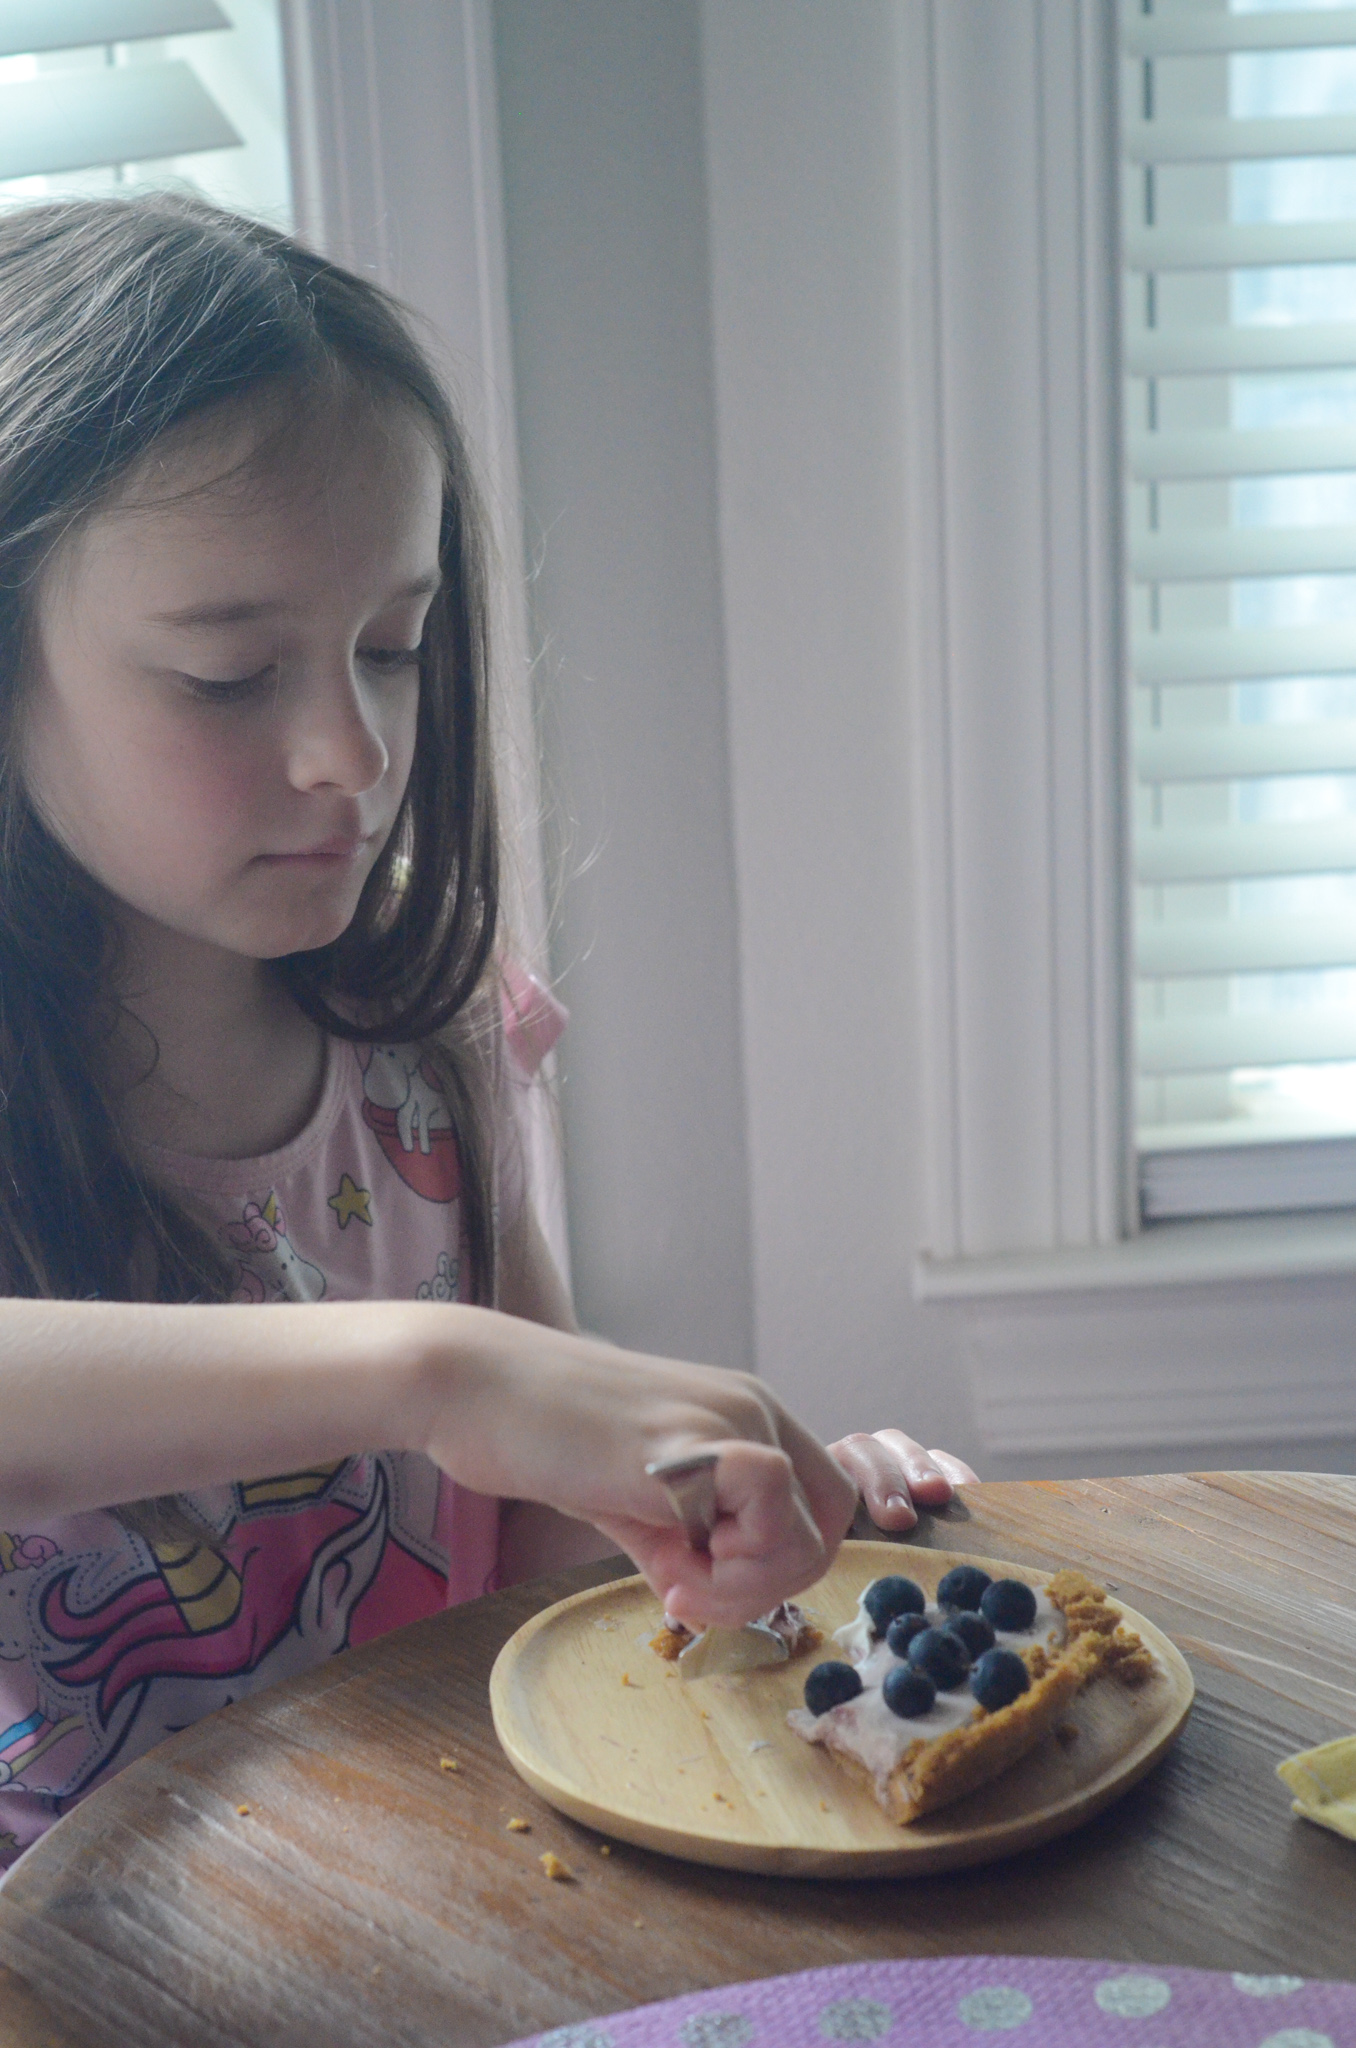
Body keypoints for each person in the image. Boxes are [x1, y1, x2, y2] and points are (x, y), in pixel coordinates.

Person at [0, 194, 973, 1863]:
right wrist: (442, 1370)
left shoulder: (438, 1043)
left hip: (425, 1889)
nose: (355, 755)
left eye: (395, 646)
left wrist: (712, 1525)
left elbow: (533, 1559)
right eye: (229, 677)